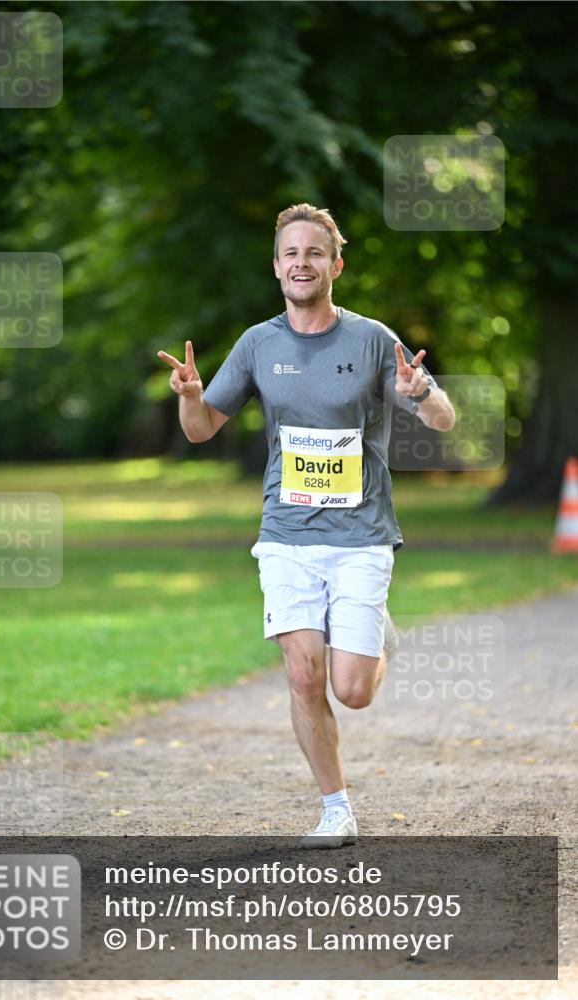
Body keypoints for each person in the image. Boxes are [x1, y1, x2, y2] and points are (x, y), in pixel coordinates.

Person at [158, 203, 455, 847]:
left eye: (314, 253)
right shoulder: (259, 344)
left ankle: (374, 634)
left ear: (335, 265)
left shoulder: (374, 339)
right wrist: (189, 397)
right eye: (291, 254)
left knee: (352, 691)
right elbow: (204, 428)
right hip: (286, 534)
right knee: (301, 673)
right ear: (276, 267)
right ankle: (335, 807)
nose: (302, 263)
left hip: (361, 536)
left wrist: (420, 392)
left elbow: (444, 421)